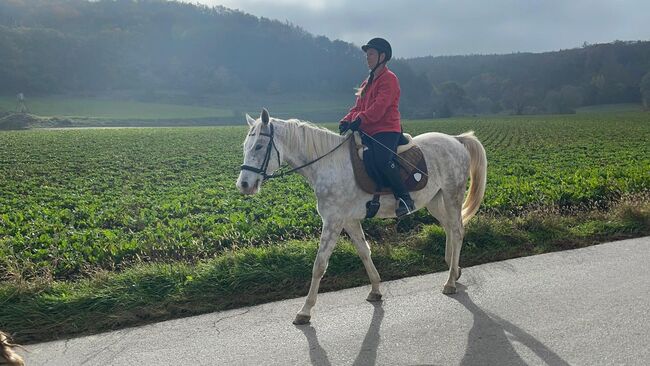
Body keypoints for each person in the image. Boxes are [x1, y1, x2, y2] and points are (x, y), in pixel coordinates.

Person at [339, 37, 415, 217]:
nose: (367, 57)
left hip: (387, 130)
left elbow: (379, 108)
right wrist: (347, 119)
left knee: (381, 160)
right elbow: (358, 107)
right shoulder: (368, 82)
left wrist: (359, 120)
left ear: (382, 56)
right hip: (369, 130)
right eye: (367, 54)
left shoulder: (389, 79)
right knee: (365, 159)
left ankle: (405, 198)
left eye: (371, 54)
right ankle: (376, 198)